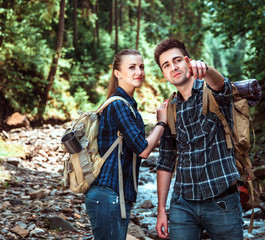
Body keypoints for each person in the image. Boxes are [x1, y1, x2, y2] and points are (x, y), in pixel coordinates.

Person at [154, 39, 244, 240]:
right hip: (182, 204)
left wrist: (206, 69)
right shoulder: (170, 109)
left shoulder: (212, 93)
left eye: (177, 60)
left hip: (222, 201)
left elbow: (223, 86)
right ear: (163, 74)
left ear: (188, 62)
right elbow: (166, 162)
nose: (173, 67)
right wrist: (161, 209)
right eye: (166, 65)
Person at [85, 49, 168, 240]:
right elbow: (143, 149)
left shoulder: (128, 104)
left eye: (141, 67)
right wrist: (161, 123)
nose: (139, 71)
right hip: (108, 195)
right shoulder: (118, 105)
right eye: (132, 67)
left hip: (114, 196)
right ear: (117, 73)